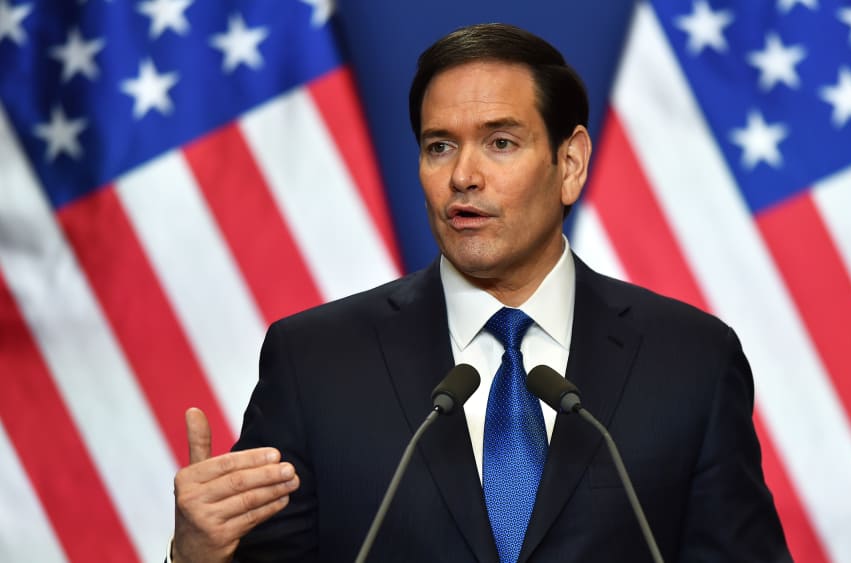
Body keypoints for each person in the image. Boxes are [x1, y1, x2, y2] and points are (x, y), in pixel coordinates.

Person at [171, 23, 791, 563]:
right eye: (439, 145)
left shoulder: (690, 361)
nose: (463, 176)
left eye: (501, 142)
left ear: (569, 163)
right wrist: (196, 558)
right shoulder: (315, 362)